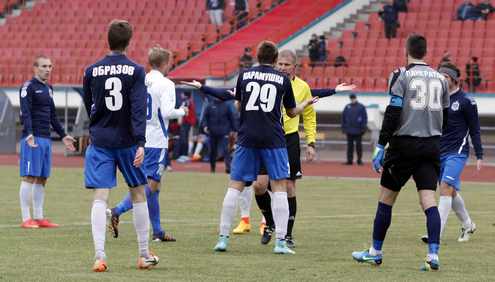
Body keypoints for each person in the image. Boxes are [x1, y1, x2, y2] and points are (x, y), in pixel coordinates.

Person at [352, 34, 450, 271]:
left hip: (404, 145)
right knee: (428, 199)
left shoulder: (401, 75)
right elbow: (445, 117)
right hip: (431, 145)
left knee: (386, 198)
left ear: (406, 50)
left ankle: (375, 252)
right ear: (426, 52)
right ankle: (433, 255)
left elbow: (393, 112)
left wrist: (380, 145)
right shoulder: (441, 79)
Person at [212, 41, 317, 255]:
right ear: (275, 58)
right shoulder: (282, 79)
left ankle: (222, 239)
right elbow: (291, 112)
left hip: (247, 136)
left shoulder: (244, 75)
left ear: (257, 56)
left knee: (235, 186)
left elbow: (239, 106)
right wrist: (305, 105)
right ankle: (280, 242)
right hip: (273, 138)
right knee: (279, 186)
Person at [82, 19, 159, 272]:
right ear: (129, 41)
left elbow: (89, 103)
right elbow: (138, 108)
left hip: (101, 140)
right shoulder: (136, 71)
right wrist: (140, 142)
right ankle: (143, 254)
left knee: (100, 196)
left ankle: (99, 257)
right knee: (138, 192)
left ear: (108, 39)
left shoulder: (91, 70)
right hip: (127, 141)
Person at [107, 46, 188, 242]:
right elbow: (168, 112)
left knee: (154, 186)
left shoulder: (141, 79)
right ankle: (117, 210)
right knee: (148, 186)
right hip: (156, 141)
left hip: (139, 139)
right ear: (165, 63)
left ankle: (158, 231)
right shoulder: (166, 83)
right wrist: (182, 111)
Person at [420, 63, 483, 244]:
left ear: (454, 79)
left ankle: (435, 234)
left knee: (445, 187)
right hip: (438, 151)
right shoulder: (437, 99)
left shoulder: (466, 101)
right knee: (451, 191)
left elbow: (475, 129)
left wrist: (479, 154)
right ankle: (468, 224)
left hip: (457, 152)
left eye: (445, 77)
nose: (441, 80)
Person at [18, 55, 76, 229]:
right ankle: (26, 218)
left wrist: (63, 135)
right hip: (33, 138)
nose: (48, 69)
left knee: (42, 178)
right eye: (44, 66)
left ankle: (39, 217)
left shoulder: (49, 88)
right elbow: (25, 112)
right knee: (29, 176)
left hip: (45, 139)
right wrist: (29, 134)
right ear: (35, 68)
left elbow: (52, 116)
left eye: (50, 66)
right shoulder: (27, 87)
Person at [201, 96, 237, 173]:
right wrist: (205, 126)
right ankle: (212, 168)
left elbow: (232, 118)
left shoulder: (227, 106)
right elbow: (205, 118)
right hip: (212, 132)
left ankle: (228, 168)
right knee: (212, 151)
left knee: (226, 150)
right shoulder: (209, 105)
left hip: (224, 132)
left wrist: (234, 130)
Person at [341, 94, 367, 165]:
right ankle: (349, 160)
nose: (352, 100)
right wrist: (343, 128)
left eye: (353, 98)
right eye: (351, 98)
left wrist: (363, 128)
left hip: (358, 131)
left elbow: (364, 118)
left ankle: (359, 160)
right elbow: (343, 118)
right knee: (350, 146)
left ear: (356, 98)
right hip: (349, 130)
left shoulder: (361, 107)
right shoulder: (347, 107)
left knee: (358, 146)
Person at [174, 91, 196, 162]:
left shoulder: (187, 102)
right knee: (184, 139)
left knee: (184, 139)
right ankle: (184, 155)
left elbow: (185, 111)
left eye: (182, 94)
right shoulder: (188, 101)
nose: (181, 95)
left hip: (186, 123)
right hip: (187, 123)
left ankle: (184, 156)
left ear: (186, 95)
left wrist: (181, 120)